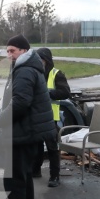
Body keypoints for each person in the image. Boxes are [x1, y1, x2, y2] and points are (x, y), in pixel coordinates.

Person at [0, 34, 55, 199]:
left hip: (23, 133)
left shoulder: (25, 70)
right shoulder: (30, 67)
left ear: (24, 51)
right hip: (30, 132)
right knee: (24, 177)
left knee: (14, 180)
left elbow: (20, 102)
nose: (9, 55)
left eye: (13, 51)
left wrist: (0, 120)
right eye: (7, 51)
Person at [35, 47, 71, 187]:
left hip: (51, 117)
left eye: (41, 59)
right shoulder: (36, 73)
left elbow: (65, 92)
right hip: (37, 116)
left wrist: (47, 93)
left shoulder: (56, 74)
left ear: (46, 60)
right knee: (36, 146)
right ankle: (36, 170)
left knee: (52, 148)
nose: (39, 62)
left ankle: (54, 176)